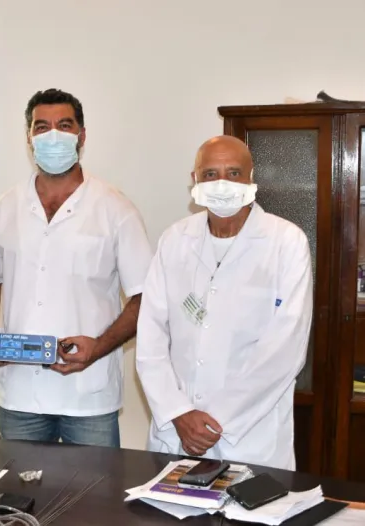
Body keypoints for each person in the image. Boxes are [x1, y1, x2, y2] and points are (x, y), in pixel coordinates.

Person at [0, 89, 152, 446]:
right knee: (18, 483)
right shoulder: (6, 207)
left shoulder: (116, 210)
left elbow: (145, 297)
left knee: (96, 483)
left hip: (88, 397)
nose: (53, 136)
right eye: (42, 127)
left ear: (82, 135)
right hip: (20, 394)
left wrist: (98, 347)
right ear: (29, 138)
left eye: (64, 126)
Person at [136, 135, 313, 470]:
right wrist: (179, 413)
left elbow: (284, 350)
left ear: (250, 178)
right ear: (194, 180)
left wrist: (216, 421)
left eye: (233, 173)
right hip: (177, 432)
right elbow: (151, 338)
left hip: (250, 437)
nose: (222, 184)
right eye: (210, 174)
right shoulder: (174, 240)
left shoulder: (286, 243)